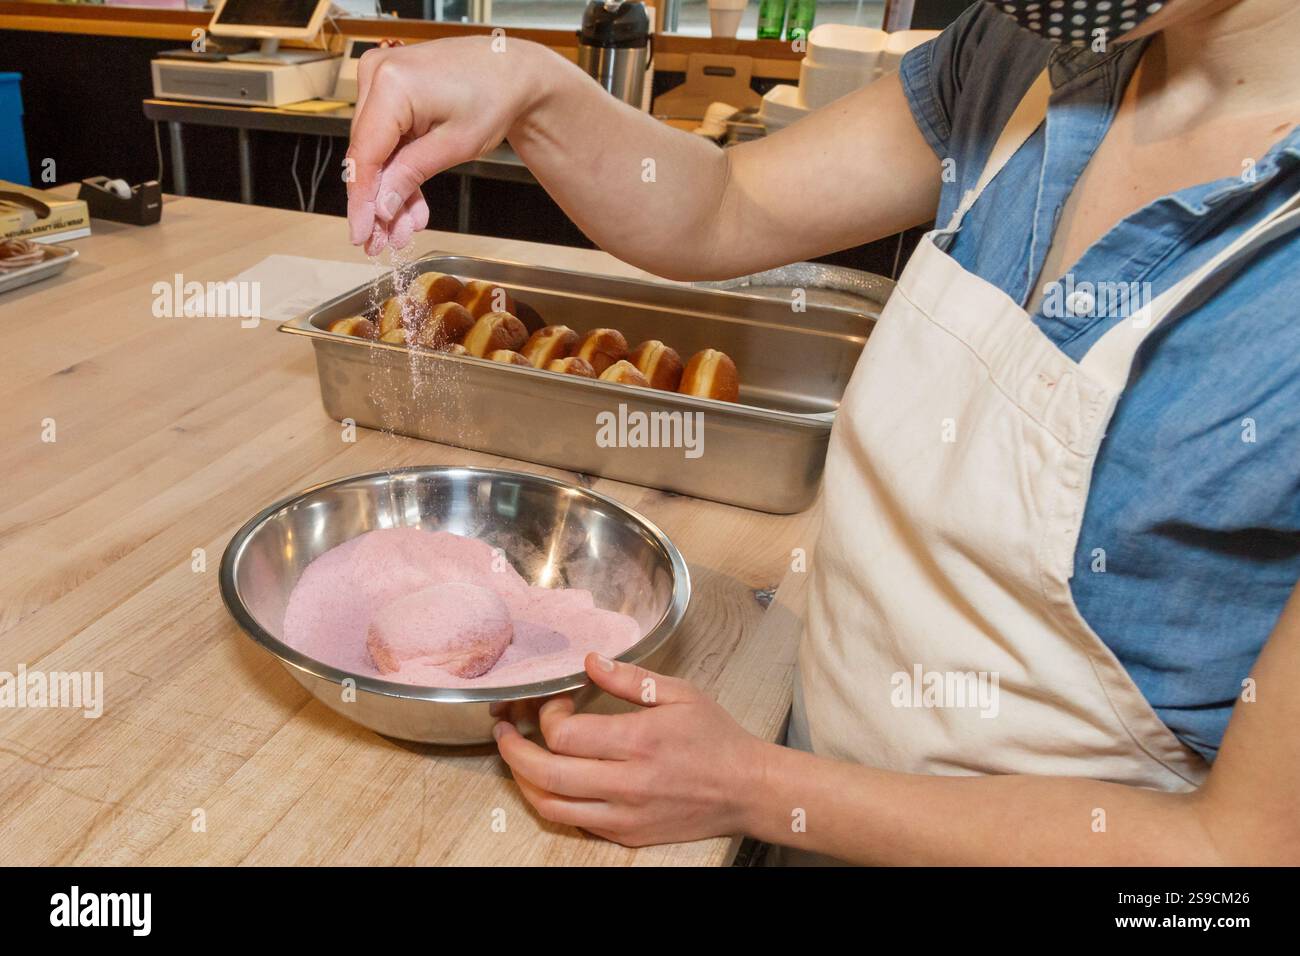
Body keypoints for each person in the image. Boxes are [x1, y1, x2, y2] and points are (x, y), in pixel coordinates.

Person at [345, 0, 1300, 864]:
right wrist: (529, 86)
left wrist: (760, 790)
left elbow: (1235, 864)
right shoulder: (1027, 53)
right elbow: (724, 206)